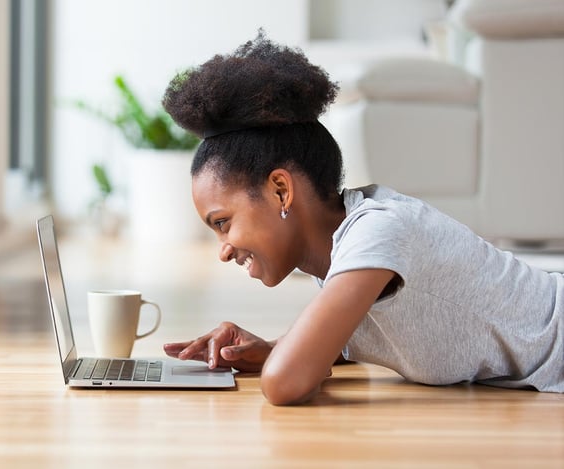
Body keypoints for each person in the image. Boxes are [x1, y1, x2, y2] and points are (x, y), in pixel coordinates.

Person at [160, 31, 564, 406]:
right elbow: (341, 343)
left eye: (222, 223)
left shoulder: (377, 231)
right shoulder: (341, 249)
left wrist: (284, 359)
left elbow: (285, 383)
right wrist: (270, 347)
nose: (223, 250)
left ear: (280, 190)